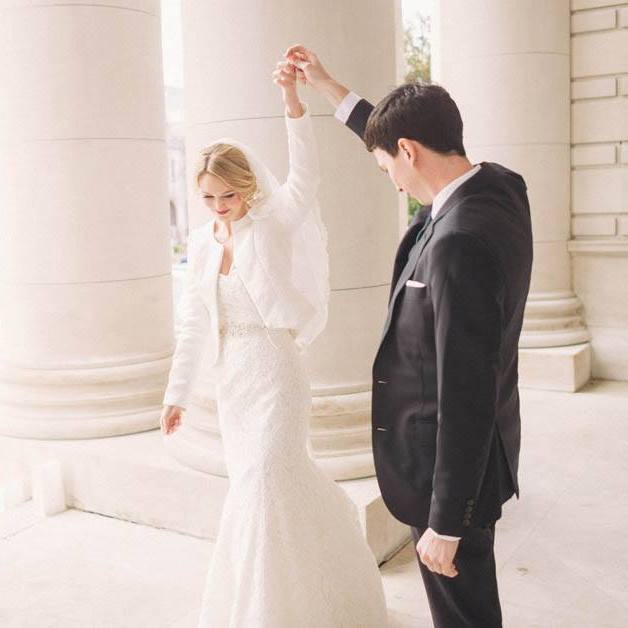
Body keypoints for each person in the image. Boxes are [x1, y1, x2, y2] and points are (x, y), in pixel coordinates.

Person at [284, 45, 533, 627]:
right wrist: (328, 86)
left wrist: (446, 521)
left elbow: (466, 389)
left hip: (449, 473)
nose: (394, 183)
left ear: (410, 151)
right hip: (479, 457)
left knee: (464, 616)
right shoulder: (500, 186)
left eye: (387, 167)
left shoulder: (457, 243)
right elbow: (394, 134)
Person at [159, 59, 388, 627]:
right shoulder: (201, 244)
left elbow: (305, 178)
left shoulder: (272, 223)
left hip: (276, 370)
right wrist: (177, 395)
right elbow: (193, 323)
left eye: (227, 196)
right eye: (208, 198)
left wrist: (293, 105)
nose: (219, 206)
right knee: (263, 487)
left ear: (245, 188)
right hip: (233, 379)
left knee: (267, 476)